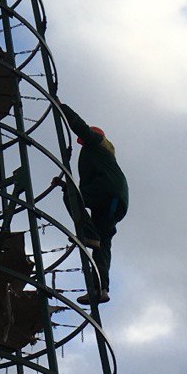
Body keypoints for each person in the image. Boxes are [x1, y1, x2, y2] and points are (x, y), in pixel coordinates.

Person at [54, 99, 128, 306]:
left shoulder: (96, 143)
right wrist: (64, 184)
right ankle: (100, 289)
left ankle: (89, 234)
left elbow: (79, 125)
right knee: (102, 245)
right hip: (113, 200)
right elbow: (84, 187)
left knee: (71, 196)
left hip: (108, 193)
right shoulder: (99, 157)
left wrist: (62, 107)